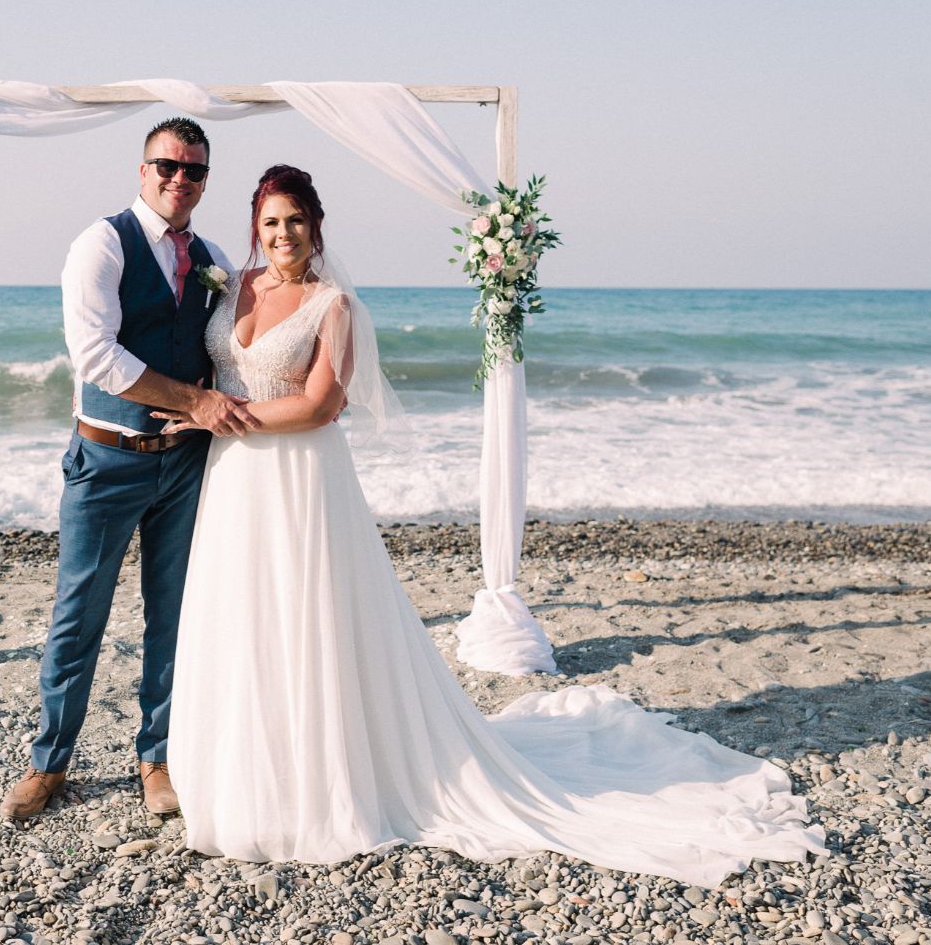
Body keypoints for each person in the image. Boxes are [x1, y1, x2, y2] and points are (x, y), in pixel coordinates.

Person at [159, 165, 827, 888]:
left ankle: (316, 784)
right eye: (269, 222)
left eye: (293, 220)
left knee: (305, 621)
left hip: (300, 480)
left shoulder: (334, 304)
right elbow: (203, 362)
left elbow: (322, 406)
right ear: (254, 227)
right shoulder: (230, 286)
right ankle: (240, 775)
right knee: (244, 620)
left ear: (315, 226)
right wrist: (197, 409)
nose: (281, 234)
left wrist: (217, 414)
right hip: (234, 482)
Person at [0, 118, 260, 821]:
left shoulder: (209, 256)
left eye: (195, 171)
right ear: (141, 170)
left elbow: (231, 347)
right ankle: (49, 761)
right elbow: (96, 357)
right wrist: (196, 401)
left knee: (173, 618)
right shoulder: (101, 244)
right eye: (168, 166)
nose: (181, 180)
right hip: (107, 461)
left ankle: (158, 759)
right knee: (77, 616)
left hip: (184, 466)